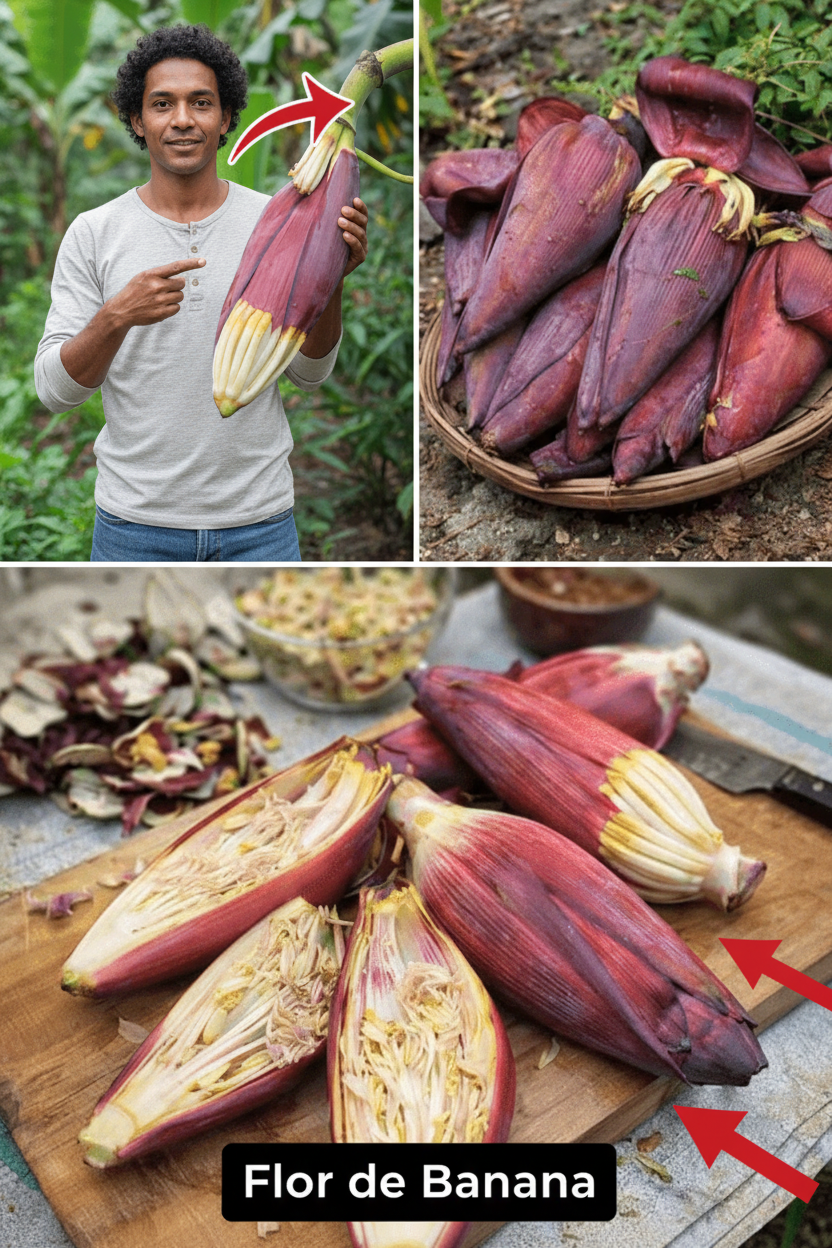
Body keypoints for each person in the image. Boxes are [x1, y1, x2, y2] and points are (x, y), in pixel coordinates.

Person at [34, 24, 369, 562]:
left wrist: (328, 278)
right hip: (133, 529)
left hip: (260, 525)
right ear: (137, 121)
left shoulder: (277, 220)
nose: (183, 120)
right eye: (162, 104)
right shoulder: (95, 232)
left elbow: (310, 375)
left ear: (228, 118)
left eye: (201, 103)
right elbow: (54, 391)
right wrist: (116, 316)